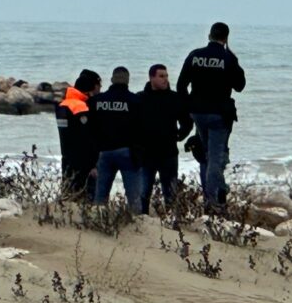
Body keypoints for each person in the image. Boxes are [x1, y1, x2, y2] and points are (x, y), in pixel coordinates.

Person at [177, 22, 246, 212]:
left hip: (198, 113)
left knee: (206, 155)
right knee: (216, 158)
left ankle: (216, 194)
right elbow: (240, 85)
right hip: (219, 114)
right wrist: (235, 61)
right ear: (226, 38)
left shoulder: (195, 55)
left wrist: (187, 109)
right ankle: (213, 203)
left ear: (209, 35)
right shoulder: (227, 58)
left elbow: (181, 85)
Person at [138, 63, 194, 214]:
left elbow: (187, 121)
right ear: (151, 78)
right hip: (146, 154)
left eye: (166, 76)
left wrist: (180, 135)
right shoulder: (140, 98)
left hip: (168, 154)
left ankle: (173, 222)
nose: (165, 79)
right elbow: (131, 124)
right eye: (161, 76)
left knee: (170, 194)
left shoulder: (174, 98)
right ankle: (142, 222)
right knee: (143, 193)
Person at [90, 66, 142, 211]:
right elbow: (142, 128)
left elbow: (90, 128)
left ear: (112, 80)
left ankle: (97, 222)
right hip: (127, 152)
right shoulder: (135, 101)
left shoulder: (97, 101)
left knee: (100, 197)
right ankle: (137, 226)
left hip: (103, 152)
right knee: (134, 197)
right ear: (128, 81)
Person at [55, 69, 101, 201]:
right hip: (83, 163)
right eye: (99, 86)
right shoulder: (81, 107)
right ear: (92, 88)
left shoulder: (62, 104)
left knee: (68, 196)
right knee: (86, 199)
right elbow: (86, 138)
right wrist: (92, 164)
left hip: (67, 159)